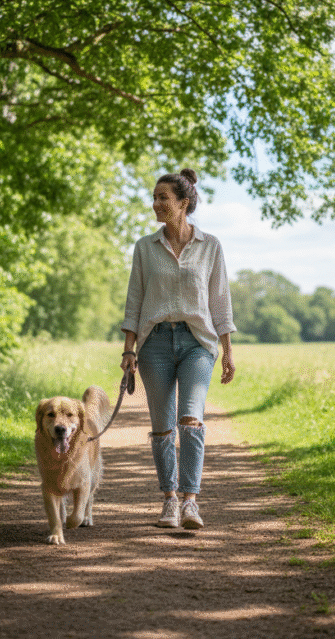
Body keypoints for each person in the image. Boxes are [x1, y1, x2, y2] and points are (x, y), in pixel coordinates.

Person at [120, 167, 236, 530]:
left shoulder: (210, 246)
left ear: (184, 204)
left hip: (197, 343)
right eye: (154, 198)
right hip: (153, 343)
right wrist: (129, 350)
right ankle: (169, 500)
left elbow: (220, 300)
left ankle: (190, 501)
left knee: (190, 418)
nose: (156, 204)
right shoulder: (145, 247)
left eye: (163, 198)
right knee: (162, 426)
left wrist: (228, 350)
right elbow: (134, 299)